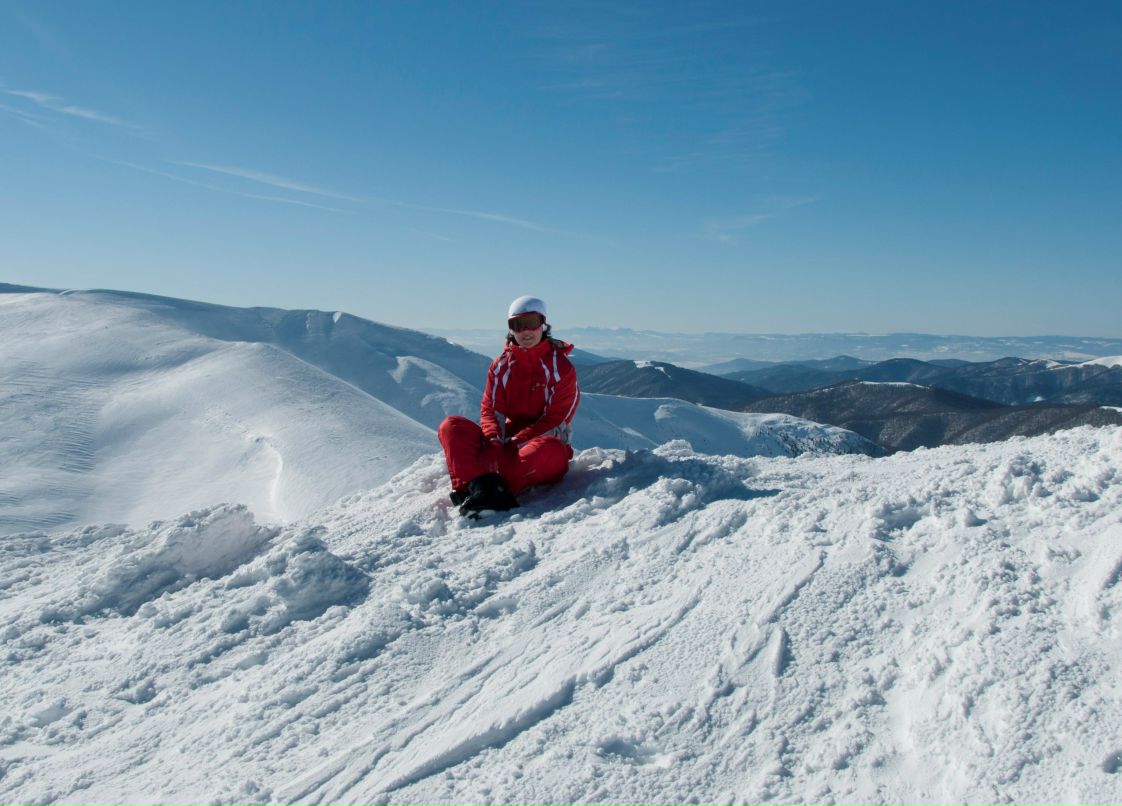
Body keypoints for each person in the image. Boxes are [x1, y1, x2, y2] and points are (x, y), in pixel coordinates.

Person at [438, 295, 581, 517]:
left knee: (549, 450)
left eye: (532, 323)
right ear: (510, 329)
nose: (525, 331)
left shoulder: (561, 368)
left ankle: (480, 486)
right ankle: (479, 489)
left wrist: (513, 443)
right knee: (451, 426)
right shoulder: (501, 366)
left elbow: (555, 420)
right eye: (516, 324)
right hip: (504, 445)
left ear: (543, 324)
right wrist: (495, 440)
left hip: (538, 444)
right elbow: (490, 410)